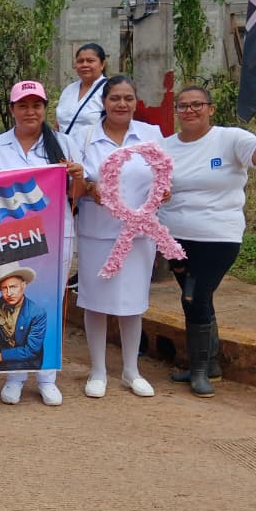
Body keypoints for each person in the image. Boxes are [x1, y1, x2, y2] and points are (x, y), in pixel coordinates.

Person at [160, 86, 256, 396]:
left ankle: (201, 370)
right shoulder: (166, 147)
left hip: (218, 236)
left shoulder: (230, 139)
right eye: (183, 106)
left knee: (194, 296)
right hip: (174, 237)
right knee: (197, 298)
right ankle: (208, 364)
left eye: (197, 105)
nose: (190, 111)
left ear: (211, 108)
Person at [0, 79, 85, 406]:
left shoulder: (65, 145)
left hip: (54, 233)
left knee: (50, 302)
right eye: (23, 105)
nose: (30, 111)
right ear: (12, 109)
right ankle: (15, 374)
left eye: (36, 105)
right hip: (10, 237)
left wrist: (78, 177)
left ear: (44, 108)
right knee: (13, 300)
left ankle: (47, 375)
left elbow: (76, 196)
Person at [76, 75, 165, 398]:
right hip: (96, 232)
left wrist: (162, 193)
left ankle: (131, 370)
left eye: (128, 98)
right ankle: (97, 370)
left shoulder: (151, 135)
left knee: (133, 303)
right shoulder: (85, 137)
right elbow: (76, 179)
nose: (122, 104)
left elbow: (164, 173)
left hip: (138, 235)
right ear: (104, 101)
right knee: (95, 303)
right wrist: (90, 188)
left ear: (136, 101)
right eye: (115, 98)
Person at [0, 264, 49, 373]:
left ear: (23, 286)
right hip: (4, 355)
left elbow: (31, 351)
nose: (9, 293)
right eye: (5, 288)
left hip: (27, 360)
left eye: (13, 287)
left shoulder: (37, 313)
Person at [55, 42, 108, 136]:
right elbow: (59, 124)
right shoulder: (68, 90)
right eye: (80, 61)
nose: (84, 65)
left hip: (93, 148)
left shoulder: (109, 90)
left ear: (102, 64)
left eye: (90, 61)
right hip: (64, 148)